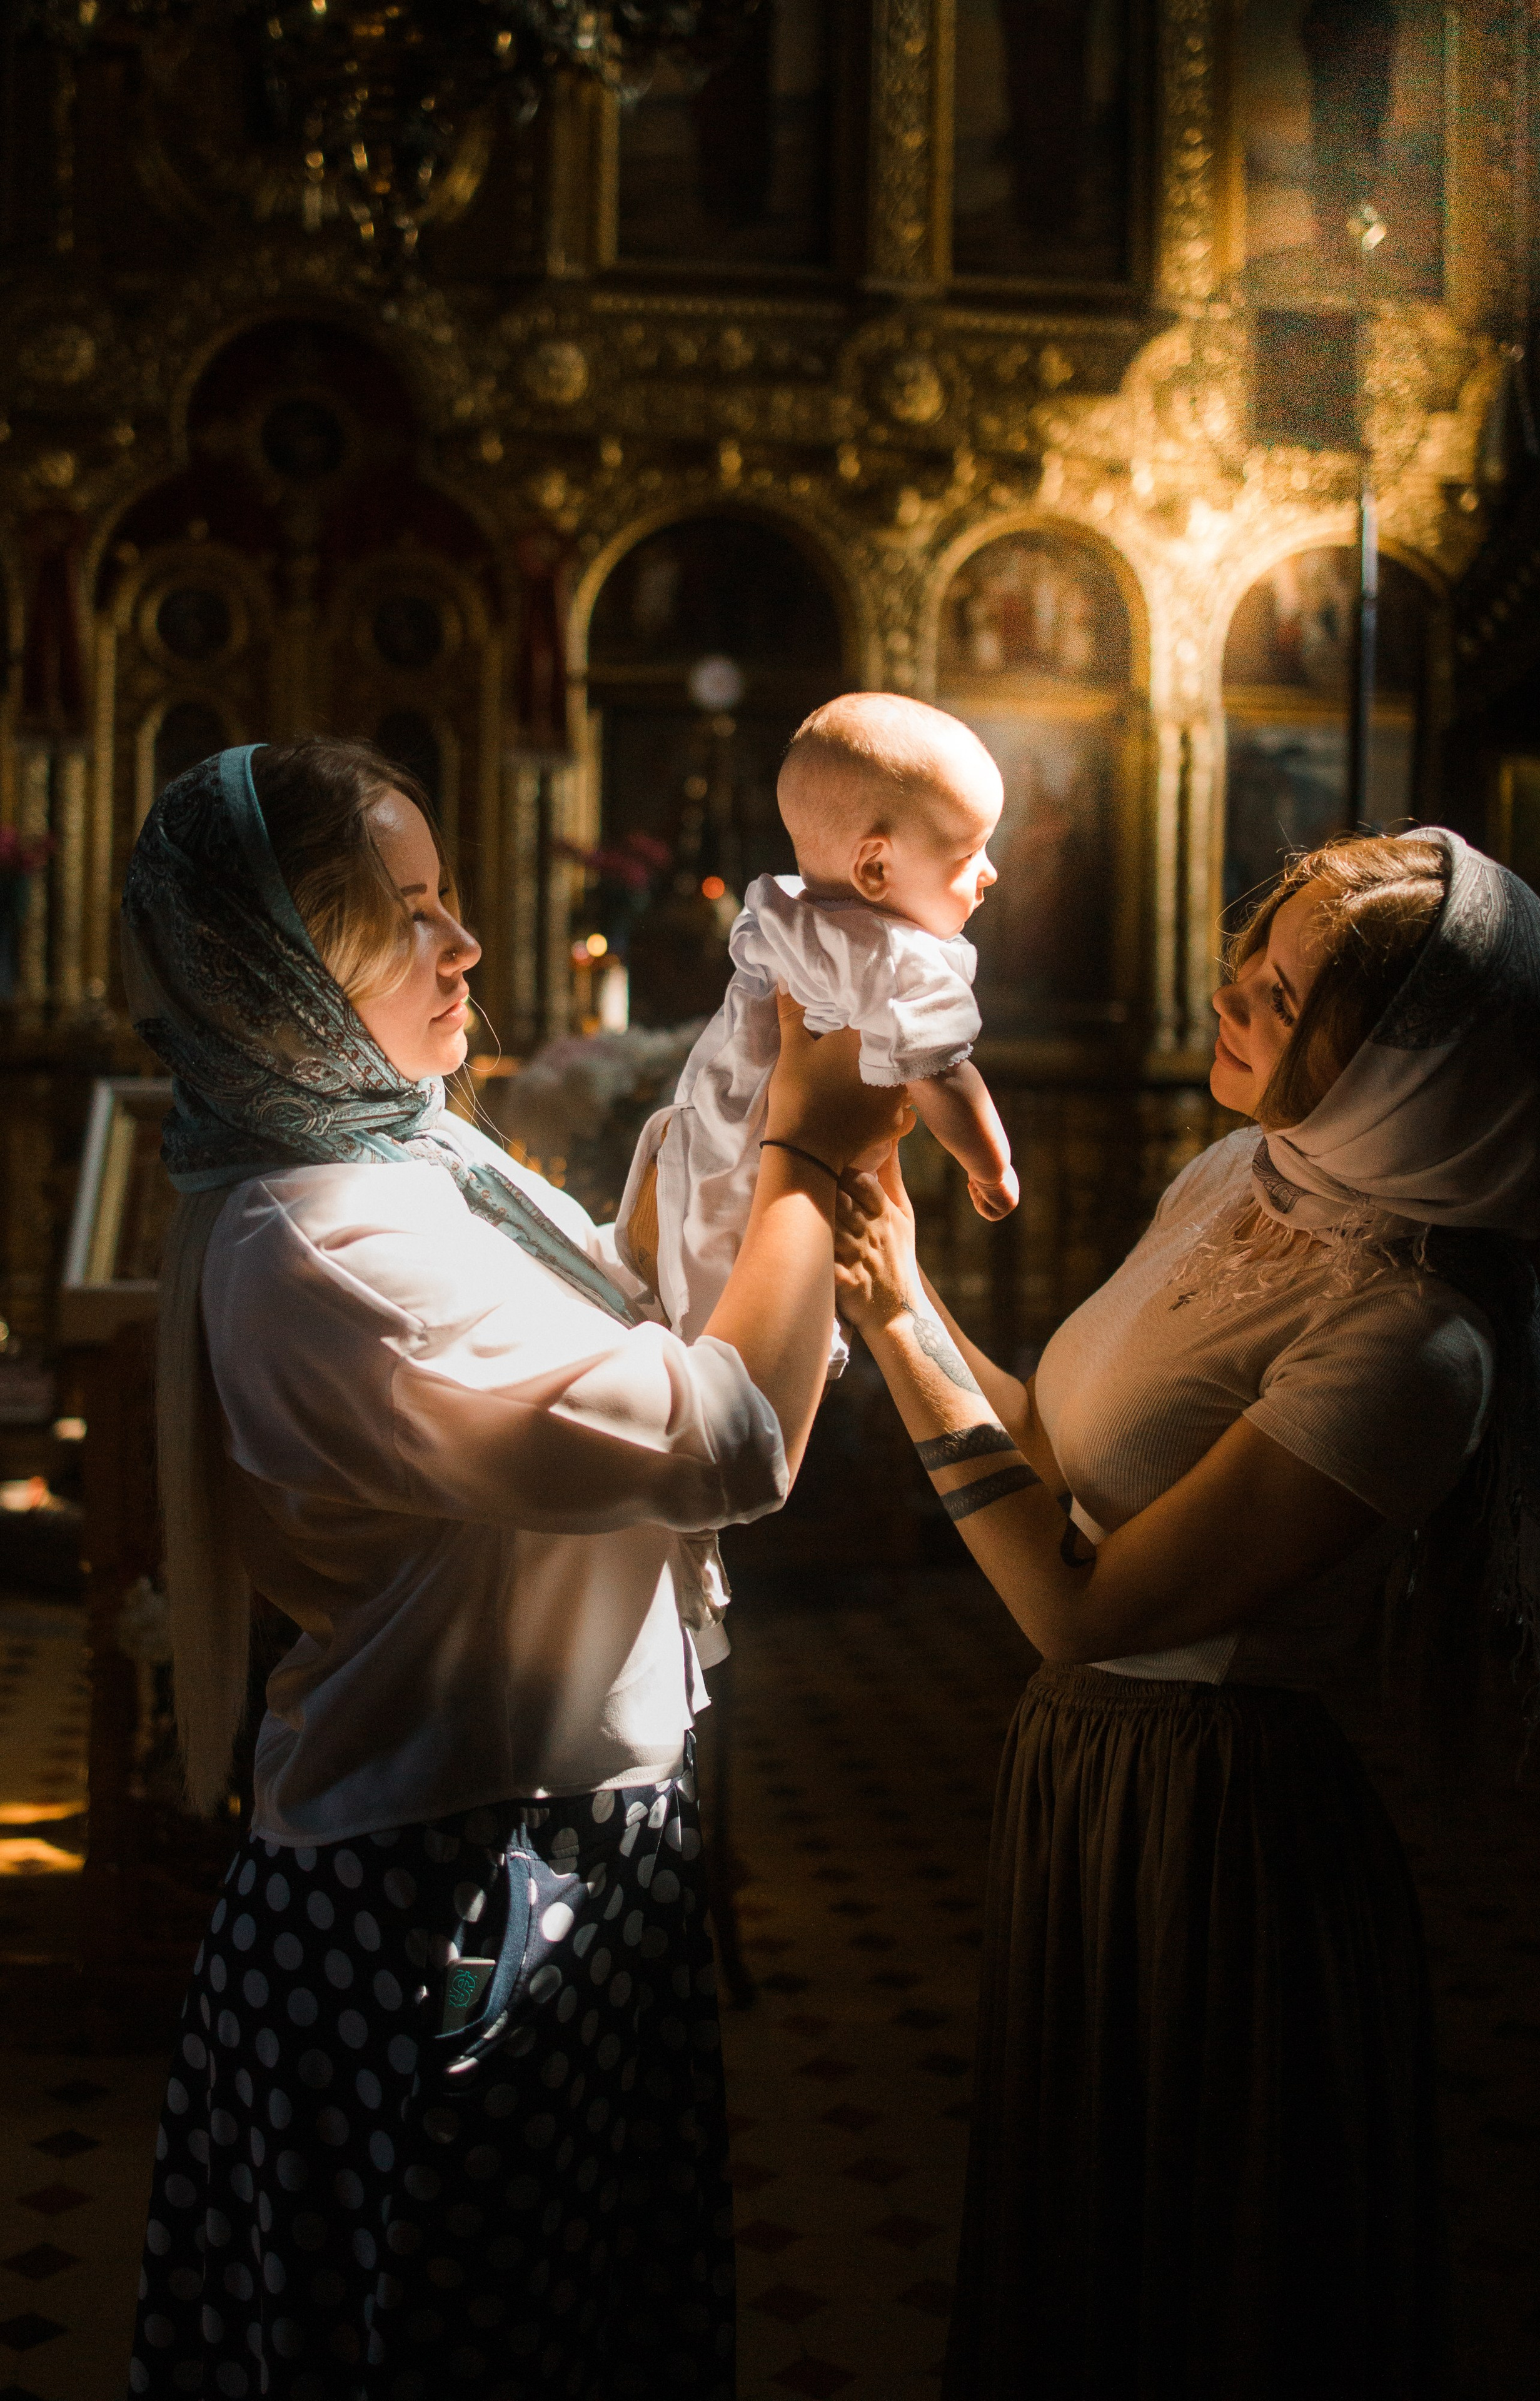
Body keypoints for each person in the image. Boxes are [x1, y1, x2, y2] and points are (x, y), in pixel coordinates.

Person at [120, 738, 908, 2401]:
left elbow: (633, 1294)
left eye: (451, 901)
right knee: (464, 2340)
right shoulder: (334, 1246)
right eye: (411, 918)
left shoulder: (413, 1158)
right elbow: (721, 1433)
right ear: (285, 970)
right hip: (445, 1898)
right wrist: (816, 1159)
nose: (465, 946)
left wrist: (757, 1065)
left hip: (552, 1861)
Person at [833, 827, 1540, 2400]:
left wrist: (896, 1327)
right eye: (1246, 961)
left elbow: (1077, 1597)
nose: (1228, 994)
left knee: (1197, 2269)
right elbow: (1053, 1453)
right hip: (1087, 1780)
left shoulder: (1409, 1337)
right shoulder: (1237, 1178)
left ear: (1402, 1060)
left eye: (1282, 988)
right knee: (1082, 2229)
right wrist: (907, 1291)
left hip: (1216, 1824)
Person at [621, 695, 1018, 1372]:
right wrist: (991, 1165)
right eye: (969, 854)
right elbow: (947, 1076)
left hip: (710, 1134)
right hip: (784, 1163)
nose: (990, 873)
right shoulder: (902, 961)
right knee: (759, 1351)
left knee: (701, 1279)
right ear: (874, 868)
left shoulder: (782, 909)